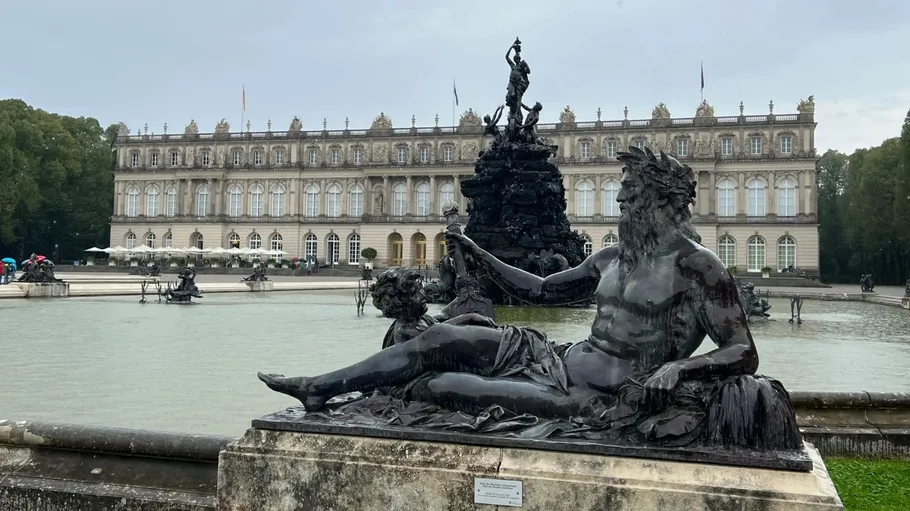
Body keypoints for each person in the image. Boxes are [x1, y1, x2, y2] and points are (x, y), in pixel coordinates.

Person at [259, 146, 797, 448]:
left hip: (599, 398)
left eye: (629, 199)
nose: (620, 206)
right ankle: (318, 388)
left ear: (660, 203)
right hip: (556, 360)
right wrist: (473, 249)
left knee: (441, 385)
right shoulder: (614, 257)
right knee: (444, 334)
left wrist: (679, 371)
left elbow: (743, 353)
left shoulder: (698, 267)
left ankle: (367, 404)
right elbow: (539, 289)